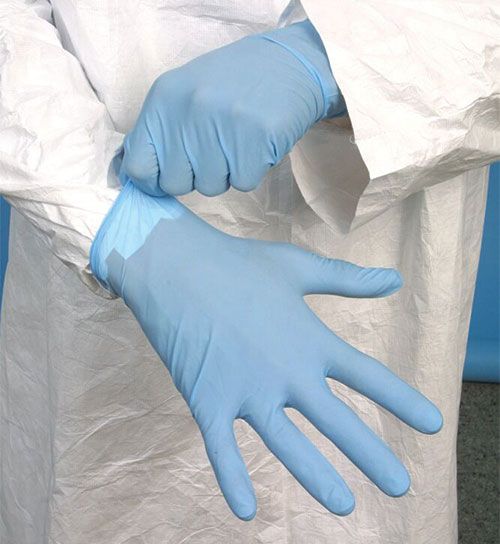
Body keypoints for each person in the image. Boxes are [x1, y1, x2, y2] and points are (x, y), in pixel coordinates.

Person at [0, 1, 498, 543]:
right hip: (90, 158)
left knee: (362, 488)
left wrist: (341, 60)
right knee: (117, 495)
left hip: (390, 159)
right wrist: (122, 227)